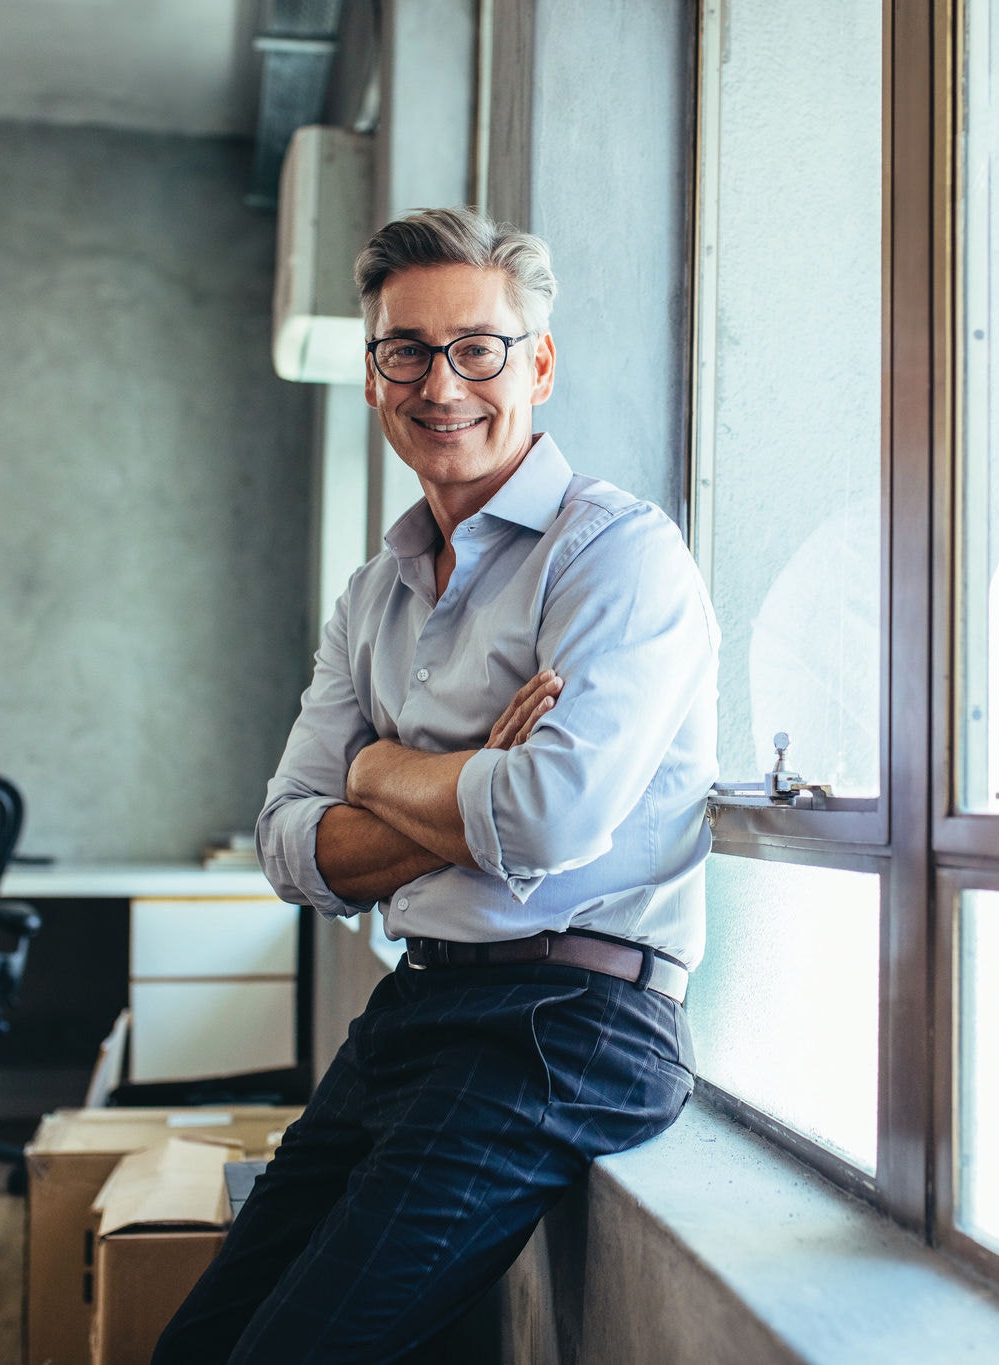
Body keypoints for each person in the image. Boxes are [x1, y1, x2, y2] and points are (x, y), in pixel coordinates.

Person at [152, 206, 717, 1364]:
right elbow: (287, 848)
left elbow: (551, 817)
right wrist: (459, 787)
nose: (439, 381)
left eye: (477, 347)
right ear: (372, 376)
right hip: (416, 1008)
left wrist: (376, 772)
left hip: (569, 1024)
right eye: (404, 349)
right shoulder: (373, 596)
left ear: (538, 364)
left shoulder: (615, 553)